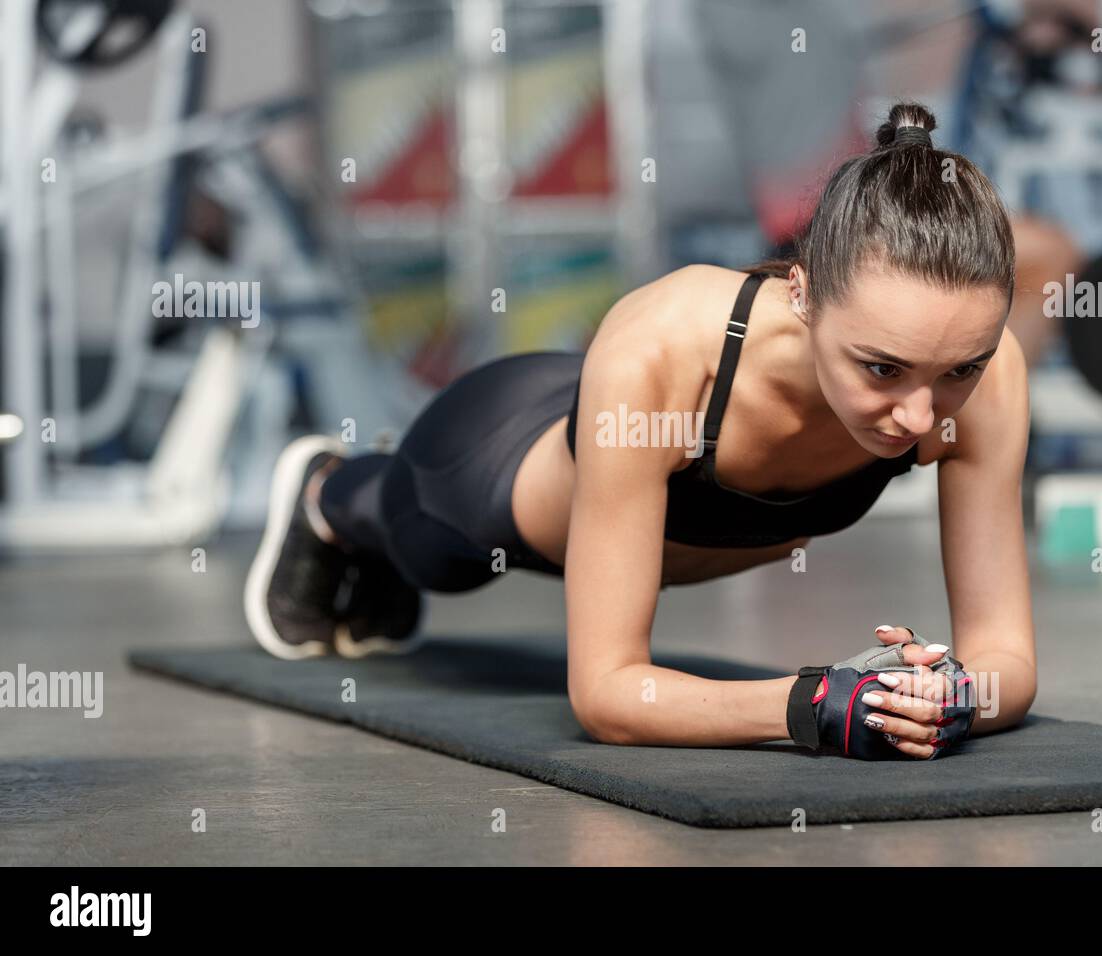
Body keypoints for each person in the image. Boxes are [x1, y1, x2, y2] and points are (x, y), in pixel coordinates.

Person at [244, 103, 1037, 761]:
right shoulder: (665, 346)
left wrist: (946, 694)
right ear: (803, 295)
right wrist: (811, 703)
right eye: (881, 369)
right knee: (426, 552)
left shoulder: (988, 373)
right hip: (492, 459)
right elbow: (608, 693)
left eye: (956, 372)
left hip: (616, 454)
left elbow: (1009, 659)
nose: (921, 416)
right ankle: (326, 492)